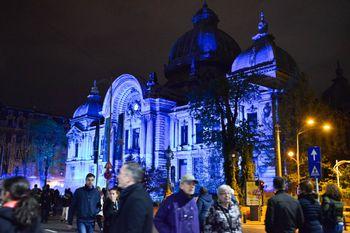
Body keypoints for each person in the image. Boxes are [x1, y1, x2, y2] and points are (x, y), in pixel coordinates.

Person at [109, 162, 153, 233]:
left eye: (120, 173)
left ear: (129, 178)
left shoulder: (137, 199)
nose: (118, 176)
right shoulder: (130, 195)